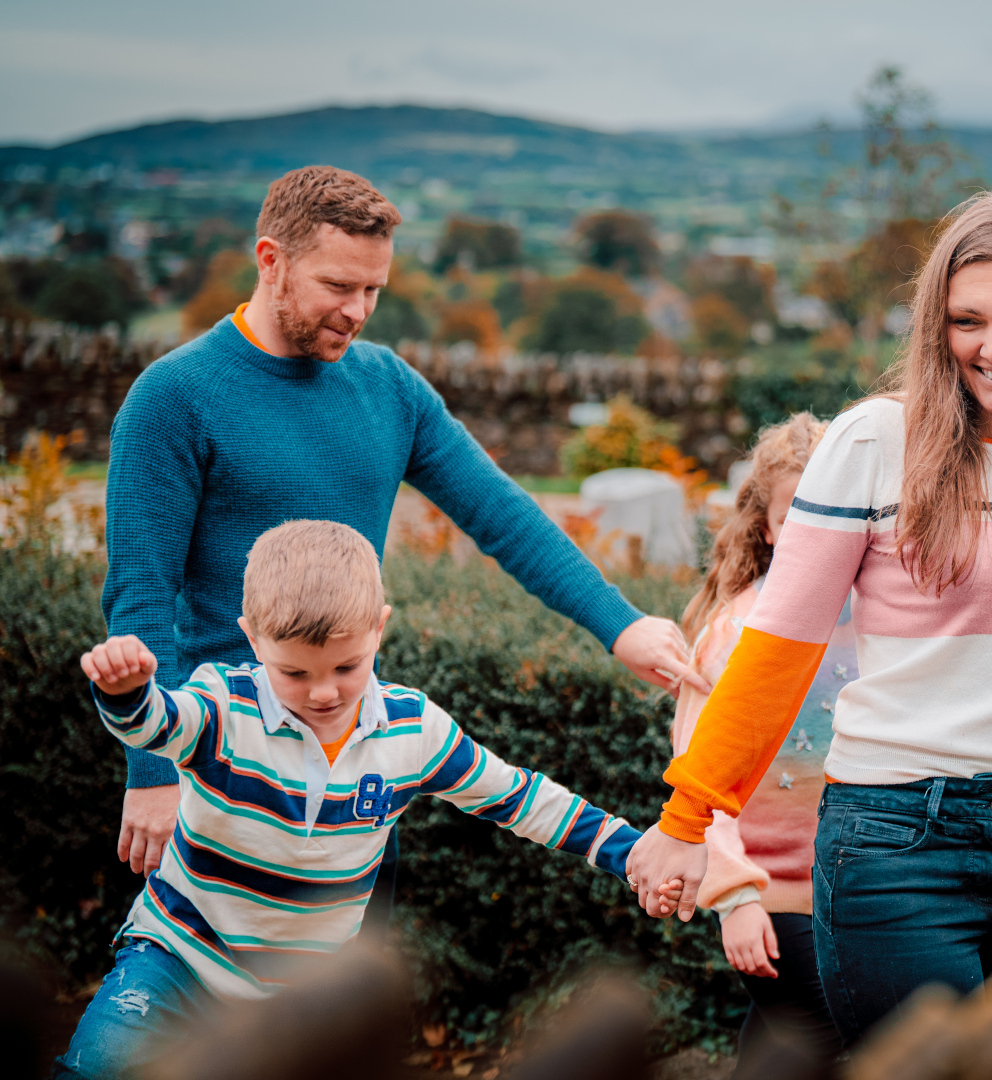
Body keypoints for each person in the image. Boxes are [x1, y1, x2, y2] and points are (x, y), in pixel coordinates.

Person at [628, 193, 992, 1043]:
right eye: (967, 321)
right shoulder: (873, 443)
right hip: (896, 840)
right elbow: (777, 653)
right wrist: (686, 817)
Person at [103, 166, 706, 906]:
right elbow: (141, 595)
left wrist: (621, 627)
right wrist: (153, 775)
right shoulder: (174, 398)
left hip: (355, 763)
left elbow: (503, 517)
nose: (358, 311)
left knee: (347, 1011)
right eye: (338, 287)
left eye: (373, 291)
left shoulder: (388, 388)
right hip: (222, 762)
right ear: (271, 261)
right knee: (203, 1003)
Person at [58, 520, 671, 1080]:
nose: (323, 692)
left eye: (347, 667)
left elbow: (519, 797)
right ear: (252, 637)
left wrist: (630, 850)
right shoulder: (223, 706)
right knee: (97, 1069)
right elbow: (157, 724)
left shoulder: (413, 731)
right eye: (294, 673)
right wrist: (128, 692)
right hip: (178, 957)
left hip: (303, 993)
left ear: (379, 627)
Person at [672, 413, 846, 1066]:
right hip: (771, 894)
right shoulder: (736, 633)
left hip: (862, 893)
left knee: (778, 1052)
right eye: (796, 512)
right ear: (768, 527)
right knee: (837, 1048)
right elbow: (699, 773)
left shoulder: (887, 621)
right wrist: (737, 898)